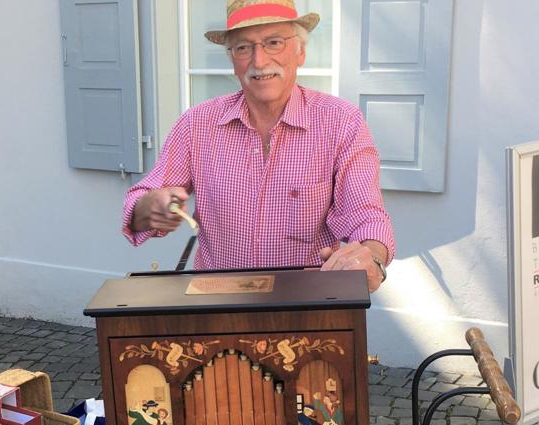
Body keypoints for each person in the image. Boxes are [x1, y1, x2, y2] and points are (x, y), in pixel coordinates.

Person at [122, 0, 394, 292]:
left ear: (300, 51)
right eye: (243, 47)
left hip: (307, 303)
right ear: (232, 59)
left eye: (274, 42)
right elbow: (138, 205)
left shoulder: (341, 121)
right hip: (219, 305)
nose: (259, 61)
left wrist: (373, 257)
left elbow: (365, 213)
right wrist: (148, 207)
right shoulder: (195, 124)